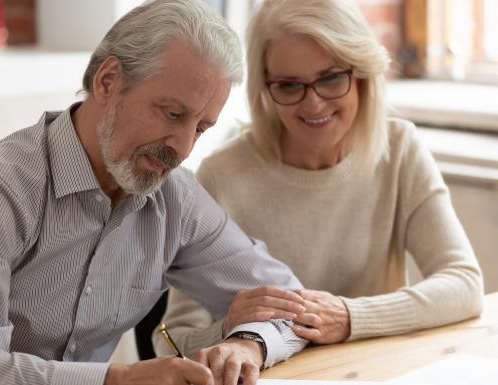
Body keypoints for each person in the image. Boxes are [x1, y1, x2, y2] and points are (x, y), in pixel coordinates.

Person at [0, 1, 311, 385]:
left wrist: (247, 345)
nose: (183, 147)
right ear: (108, 81)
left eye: (201, 127)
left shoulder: (174, 197)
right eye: (171, 114)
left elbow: (295, 307)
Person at [154, 0, 484, 358]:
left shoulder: (400, 149)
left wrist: (348, 317)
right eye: (289, 85)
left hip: (376, 377)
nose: (312, 105)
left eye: (330, 78)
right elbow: (170, 342)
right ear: (265, 87)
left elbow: (464, 284)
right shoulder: (221, 175)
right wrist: (230, 332)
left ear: (361, 73)